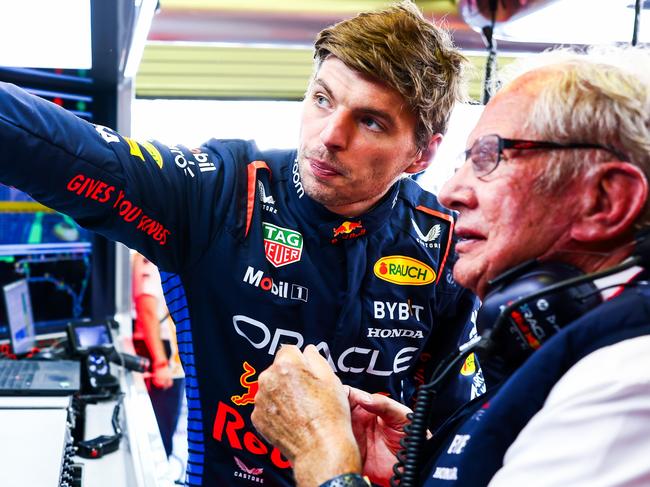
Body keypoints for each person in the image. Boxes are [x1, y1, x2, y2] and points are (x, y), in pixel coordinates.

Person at [0, 2, 482, 485]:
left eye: (371, 121)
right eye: (322, 99)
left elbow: (461, 430)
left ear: (422, 153)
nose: (331, 135)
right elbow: (68, 152)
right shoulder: (225, 193)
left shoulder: (446, 243)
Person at [251, 45, 650, 487]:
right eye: (463, 162)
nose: (450, 193)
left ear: (605, 200)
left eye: (488, 158)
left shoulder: (629, 378)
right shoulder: (578, 348)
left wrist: (322, 454)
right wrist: (424, 466)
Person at [132, 252, 185, 459]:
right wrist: (160, 363)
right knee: (160, 432)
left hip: (172, 358)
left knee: (167, 426)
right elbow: (146, 308)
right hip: (161, 358)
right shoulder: (151, 255)